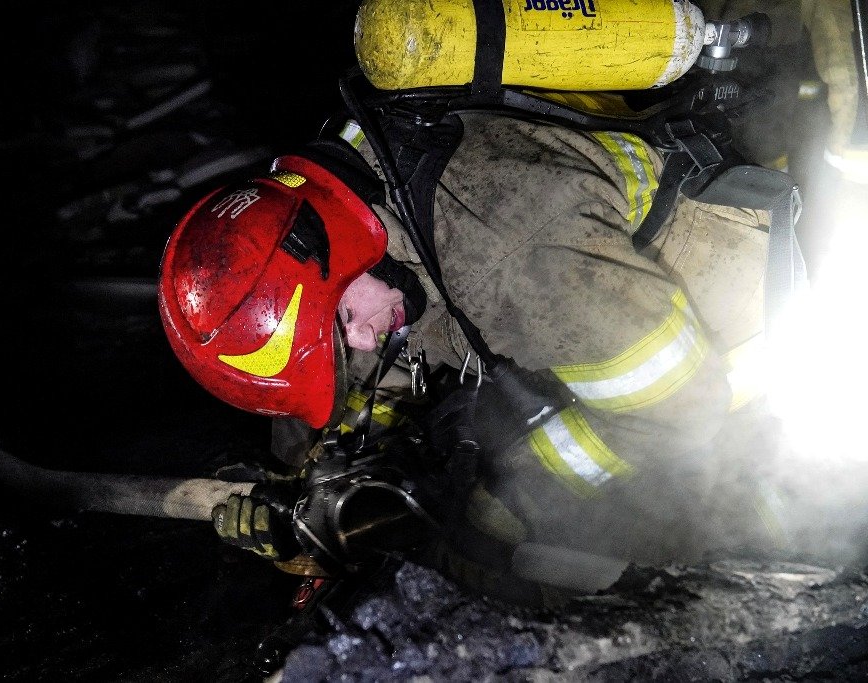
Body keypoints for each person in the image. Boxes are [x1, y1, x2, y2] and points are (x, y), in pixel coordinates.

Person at [157, 3, 861, 602]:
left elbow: (678, 404)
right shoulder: (350, 177)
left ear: (338, 249)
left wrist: (496, 507)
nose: (365, 343)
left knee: (717, 524)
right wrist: (304, 495)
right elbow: (365, 360)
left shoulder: (511, 255)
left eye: (345, 329)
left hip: (737, 304)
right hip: (576, 292)